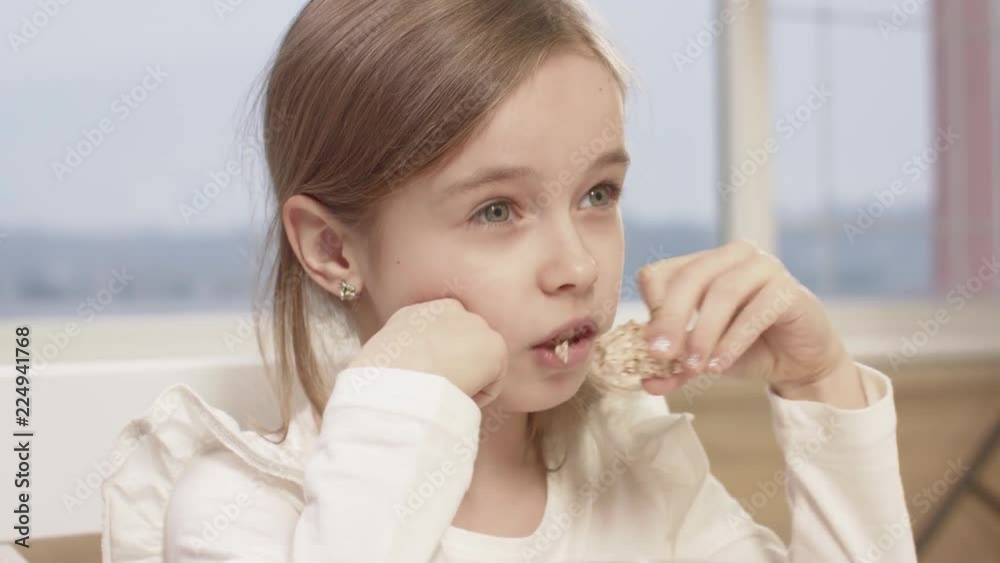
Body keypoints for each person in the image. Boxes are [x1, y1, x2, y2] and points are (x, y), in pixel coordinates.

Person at [101, 0, 918, 561]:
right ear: (333, 250)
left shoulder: (636, 469)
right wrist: (403, 403)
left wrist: (821, 384)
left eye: (598, 194)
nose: (579, 266)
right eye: (496, 210)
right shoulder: (238, 510)